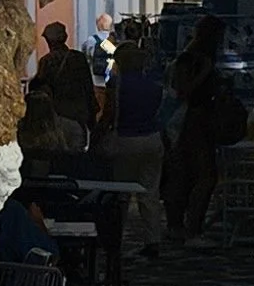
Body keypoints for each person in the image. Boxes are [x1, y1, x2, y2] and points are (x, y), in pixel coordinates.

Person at [159, 14, 236, 239]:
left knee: (187, 174)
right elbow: (183, 91)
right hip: (191, 122)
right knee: (198, 175)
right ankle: (190, 225)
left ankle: (183, 224)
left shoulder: (191, 57)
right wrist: (205, 75)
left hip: (194, 122)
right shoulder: (194, 60)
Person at [97, 27, 167, 252]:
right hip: (152, 139)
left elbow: (109, 114)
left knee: (121, 193)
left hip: (125, 139)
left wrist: (98, 134)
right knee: (150, 192)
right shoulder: (154, 86)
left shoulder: (116, 84)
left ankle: (116, 239)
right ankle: (152, 240)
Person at [35, 18, 99, 141]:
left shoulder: (46, 61)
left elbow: (41, 89)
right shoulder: (78, 58)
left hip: (57, 115)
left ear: (49, 41)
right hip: (79, 114)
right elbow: (88, 86)